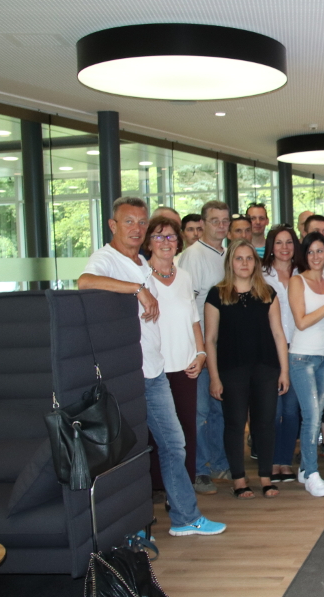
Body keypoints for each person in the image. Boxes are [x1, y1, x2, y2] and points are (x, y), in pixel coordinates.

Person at [78, 196, 226, 537]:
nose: (136, 228)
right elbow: (85, 282)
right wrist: (138, 290)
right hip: (126, 374)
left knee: (174, 444)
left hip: (154, 370)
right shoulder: (108, 258)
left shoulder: (143, 264)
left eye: (141, 222)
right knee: (130, 452)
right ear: (113, 225)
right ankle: (132, 526)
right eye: (128, 221)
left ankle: (184, 518)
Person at [205, 239, 291, 499]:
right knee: (234, 424)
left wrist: (284, 371)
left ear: (256, 262)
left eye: (249, 258)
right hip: (231, 369)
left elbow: (279, 334)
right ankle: (239, 480)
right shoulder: (217, 294)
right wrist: (214, 377)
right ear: (230, 262)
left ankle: (265, 477)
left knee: (265, 424)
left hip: (266, 367)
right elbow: (210, 339)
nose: (244, 263)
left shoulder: (268, 293)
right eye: (239, 258)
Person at [142, 216, 207, 495]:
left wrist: (201, 353)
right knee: (158, 435)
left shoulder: (184, 276)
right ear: (148, 243)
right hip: (154, 369)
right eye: (158, 236)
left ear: (178, 242)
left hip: (185, 365)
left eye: (170, 236)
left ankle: (182, 489)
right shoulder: (139, 277)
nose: (165, 242)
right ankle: (158, 488)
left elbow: (194, 319)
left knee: (187, 430)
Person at [177, 200, 232, 487]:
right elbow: (188, 306)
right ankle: (199, 469)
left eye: (225, 220)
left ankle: (220, 464)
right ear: (203, 223)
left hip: (225, 345)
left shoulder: (230, 254)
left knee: (219, 408)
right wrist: (199, 348)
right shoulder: (193, 256)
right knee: (199, 411)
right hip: (200, 345)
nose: (221, 226)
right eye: (215, 221)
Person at [288, 231, 324, 497]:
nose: (315, 256)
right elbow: (301, 321)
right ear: (304, 255)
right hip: (302, 357)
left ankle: (304, 467)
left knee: (317, 415)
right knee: (312, 417)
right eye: (310, 251)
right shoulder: (297, 281)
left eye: (320, 251)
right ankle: (312, 473)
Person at [262, 225, 301, 484]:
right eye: (279, 242)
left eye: (289, 242)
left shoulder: (304, 273)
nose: (284, 248)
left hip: (299, 348)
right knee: (272, 410)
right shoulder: (261, 275)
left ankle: (285, 461)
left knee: (292, 410)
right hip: (270, 348)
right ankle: (270, 461)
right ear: (271, 246)